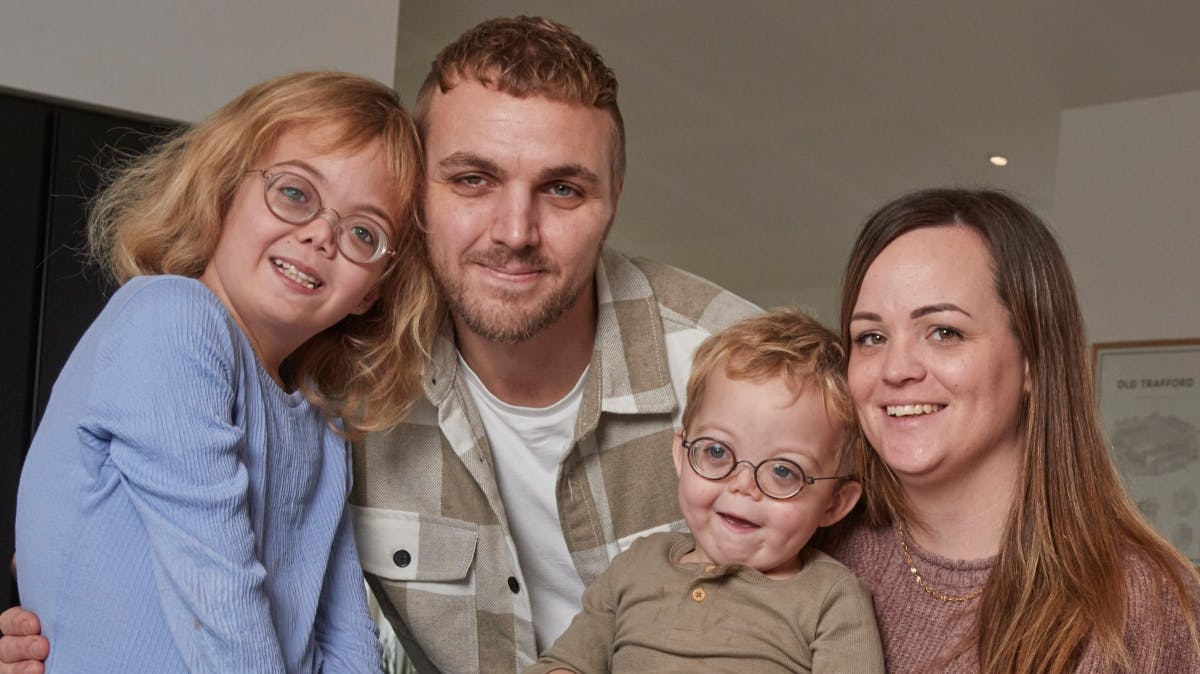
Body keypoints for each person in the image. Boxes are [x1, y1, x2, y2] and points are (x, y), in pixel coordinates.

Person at [0, 16, 759, 674]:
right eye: (471, 179)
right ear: (420, 205)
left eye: (563, 189)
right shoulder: (350, 386)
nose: (515, 231)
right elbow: (200, 569)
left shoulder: (742, 368)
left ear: (612, 201)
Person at [10, 71, 437, 672]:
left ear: (372, 293)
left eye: (364, 232)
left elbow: (344, 640)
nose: (320, 234)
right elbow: (221, 600)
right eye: (294, 193)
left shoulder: (321, 418)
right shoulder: (171, 318)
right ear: (225, 189)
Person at [829, 187, 1200, 673]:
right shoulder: (813, 549)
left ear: (1032, 359)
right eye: (871, 338)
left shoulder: (1146, 603)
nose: (896, 369)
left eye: (945, 332)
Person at [527, 310, 884, 673]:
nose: (742, 485)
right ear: (682, 455)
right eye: (716, 452)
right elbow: (563, 664)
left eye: (782, 471)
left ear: (835, 504)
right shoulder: (639, 564)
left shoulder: (830, 597)